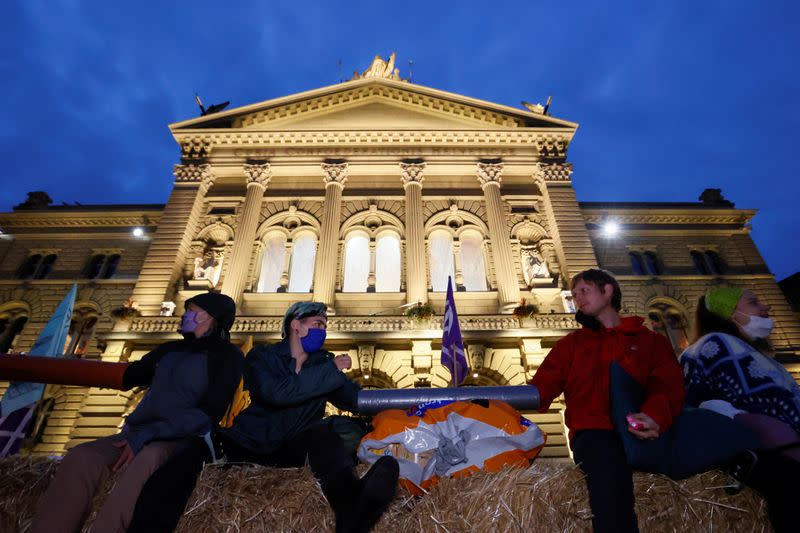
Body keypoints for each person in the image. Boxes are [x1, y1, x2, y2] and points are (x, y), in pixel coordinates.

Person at [131, 301, 399, 533]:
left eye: (324, 325)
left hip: (293, 449)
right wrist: (332, 370)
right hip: (248, 443)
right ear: (296, 325)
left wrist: (407, 408)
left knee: (324, 435)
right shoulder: (263, 356)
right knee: (189, 453)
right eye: (318, 323)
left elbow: (355, 399)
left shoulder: (322, 364)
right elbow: (276, 393)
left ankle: (352, 506)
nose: (323, 330)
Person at [29, 291, 244, 533]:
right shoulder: (169, 349)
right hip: (135, 434)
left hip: (182, 438)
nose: (184, 315)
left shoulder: (228, 356)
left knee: (147, 461)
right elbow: (130, 374)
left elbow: (207, 414)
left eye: (192, 311)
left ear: (212, 316)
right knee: (82, 457)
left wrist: (151, 433)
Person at [529, 269, 684, 533]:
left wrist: (654, 416)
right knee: (610, 491)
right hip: (595, 434)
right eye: (574, 294)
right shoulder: (572, 344)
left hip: (642, 431)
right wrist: (490, 404)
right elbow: (540, 389)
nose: (577, 298)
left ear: (608, 290)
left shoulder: (650, 341)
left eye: (584, 291)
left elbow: (667, 386)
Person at [680, 287, 800, 460]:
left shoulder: (733, 346)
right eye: (753, 303)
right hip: (779, 454)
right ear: (731, 313)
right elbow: (768, 402)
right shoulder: (720, 343)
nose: (766, 306)